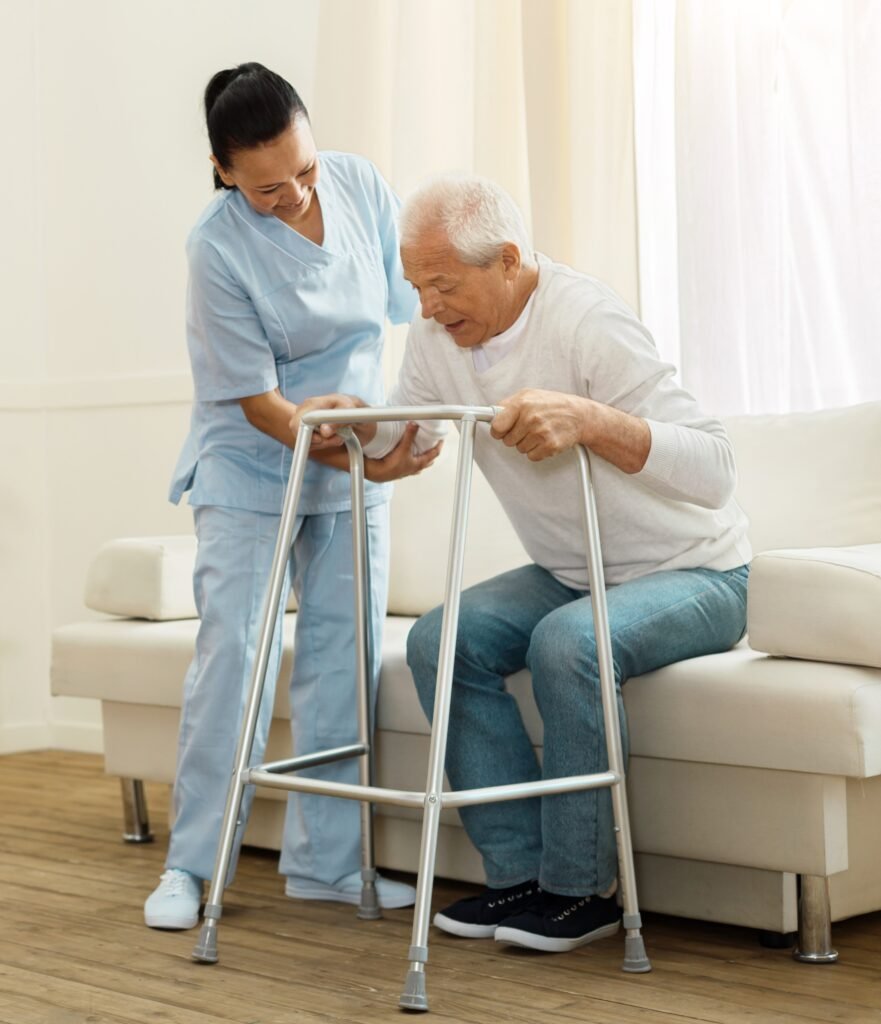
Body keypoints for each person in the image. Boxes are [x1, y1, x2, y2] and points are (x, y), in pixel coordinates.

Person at [293, 174, 753, 954]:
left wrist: (589, 420)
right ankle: (518, 876)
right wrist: (354, 425)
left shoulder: (585, 320)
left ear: (506, 260)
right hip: (575, 573)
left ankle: (582, 893)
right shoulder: (440, 337)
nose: (427, 307)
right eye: (415, 288)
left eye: (441, 286)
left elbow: (714, 468)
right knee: (441, 640)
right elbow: (408, 442)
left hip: (697, 573)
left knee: (569, 642)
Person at [145, 63, 439, 930]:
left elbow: (402, 309)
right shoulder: (216, 245)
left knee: (342, 663)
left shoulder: (358, 184)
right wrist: (357, 460)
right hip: (253, 467)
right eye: (268, 185)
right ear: (223, 168)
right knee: (233, 661)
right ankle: (191, 869)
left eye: (303, 170)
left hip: (350, 457)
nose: (296, 192)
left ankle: (328, 866)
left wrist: (391, 438)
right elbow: (258, 402)